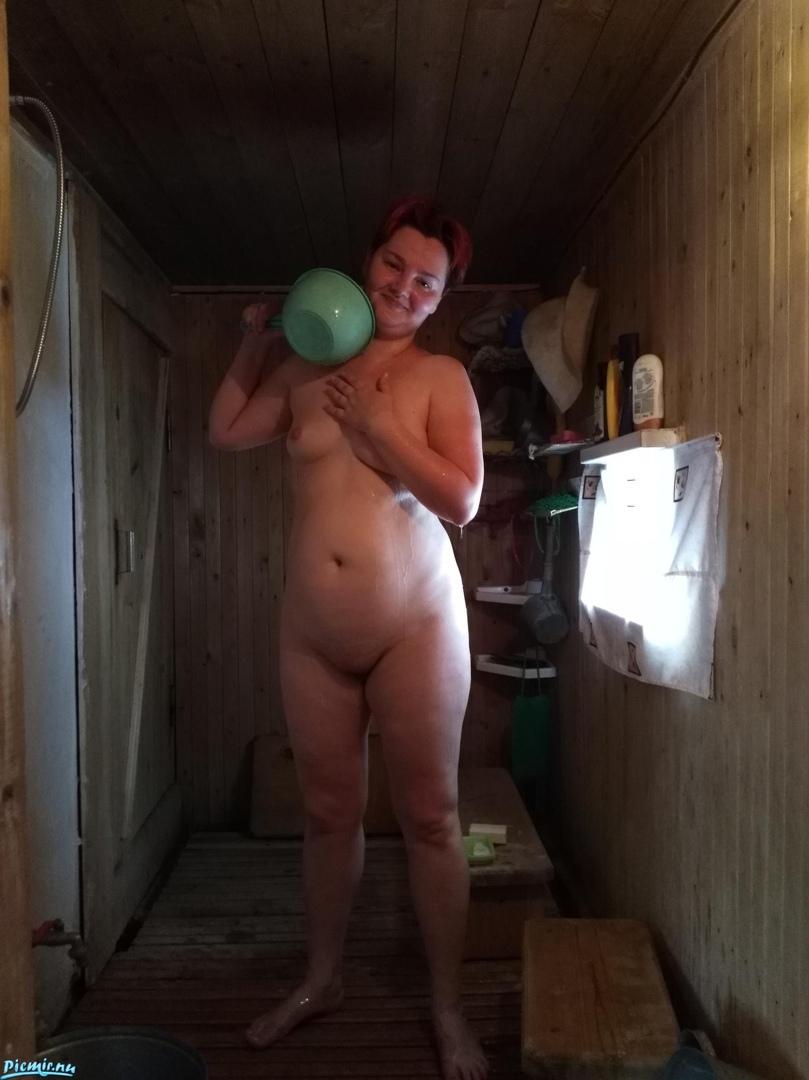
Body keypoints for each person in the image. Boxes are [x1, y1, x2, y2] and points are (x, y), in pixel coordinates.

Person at [208, 196, 486, 1080]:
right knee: (327, 815)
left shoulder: (440, 378)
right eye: (393, 265)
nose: (404, 287)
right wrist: (253, 342)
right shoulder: (303, 367)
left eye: (426, 282)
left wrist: (376, 429)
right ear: (368, 261)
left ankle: (446, 1008)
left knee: (430, 818)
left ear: (440, 299)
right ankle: (321, 980)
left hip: (416, 625)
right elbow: (226, 431)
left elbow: (462, 500)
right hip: (312, 633)